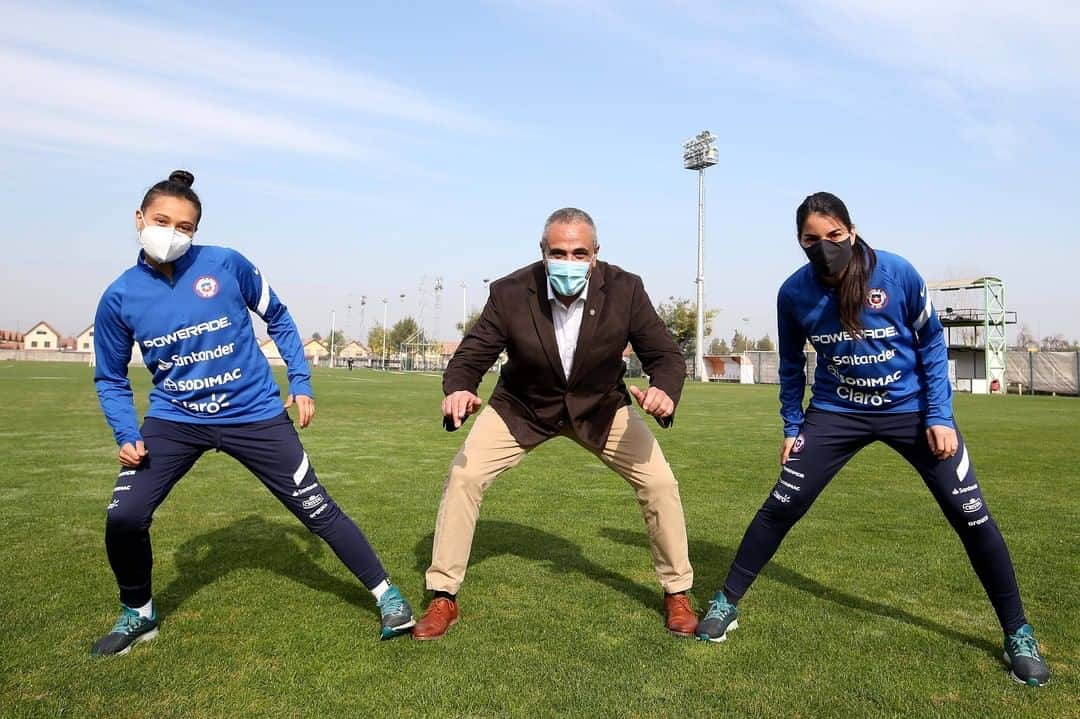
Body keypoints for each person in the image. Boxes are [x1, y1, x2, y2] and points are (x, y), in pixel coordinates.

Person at [696, 192, 1050, 687]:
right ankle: (725, 603)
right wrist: (792, 427)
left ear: (853, 231)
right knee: (783, 503)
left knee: (971, 516)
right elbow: (794, 367)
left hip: (912, 413)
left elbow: (930, 344)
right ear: (799, 242)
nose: (824, 248)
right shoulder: (792, 294)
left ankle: (1018, 632)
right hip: (837, 413)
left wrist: (940, 416)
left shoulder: (897, 273)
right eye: (811, 240)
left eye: (834, 236)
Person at [90, 170, 414, 655]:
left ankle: (387, 595)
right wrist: (124, 430)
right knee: (125, 517)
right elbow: (111, 377)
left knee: (316, 508)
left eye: (185, 227)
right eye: (162, 221)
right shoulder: (118, 297)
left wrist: (300, 381)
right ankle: (139, 613)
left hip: (255, 414)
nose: (172, 234)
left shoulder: (225, 264)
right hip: (175, 420)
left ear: (195, 232)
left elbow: (278, 316)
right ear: (139, 219)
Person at [412, 207, 697, 640]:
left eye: (579, 253)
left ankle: (677, 592)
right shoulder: (510, 292)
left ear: (596, 254)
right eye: (559, 252)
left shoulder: (627, 289)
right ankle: (443, 595)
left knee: (660, 484)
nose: (569, 261)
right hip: (522, 407)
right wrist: (458, 388)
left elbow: (665, 355)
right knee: (464, 475)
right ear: (542, 252)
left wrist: (664, 392)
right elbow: (471, 354)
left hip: (601, 408)